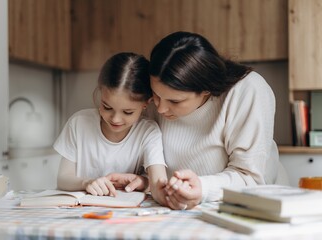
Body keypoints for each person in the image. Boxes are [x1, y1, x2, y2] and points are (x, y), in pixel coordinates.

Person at [147, 31, 289, 210]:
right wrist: (145, 180)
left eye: (175, 101)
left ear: (206, 89)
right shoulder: (155, 101)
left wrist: (202, 188)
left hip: (257, 205)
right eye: (156, 95)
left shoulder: (246, 91)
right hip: (181, 207)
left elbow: (250, 178)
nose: (160, 109)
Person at [53, 52, 167, 204]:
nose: (115, 119)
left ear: (146, 104)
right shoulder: (79, 123)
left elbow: (159, 181)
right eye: (107, 107)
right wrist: (85, 183)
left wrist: (144, 182)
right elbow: (63, 178)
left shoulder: (148, 132)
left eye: (128, 112)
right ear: (100, 93)